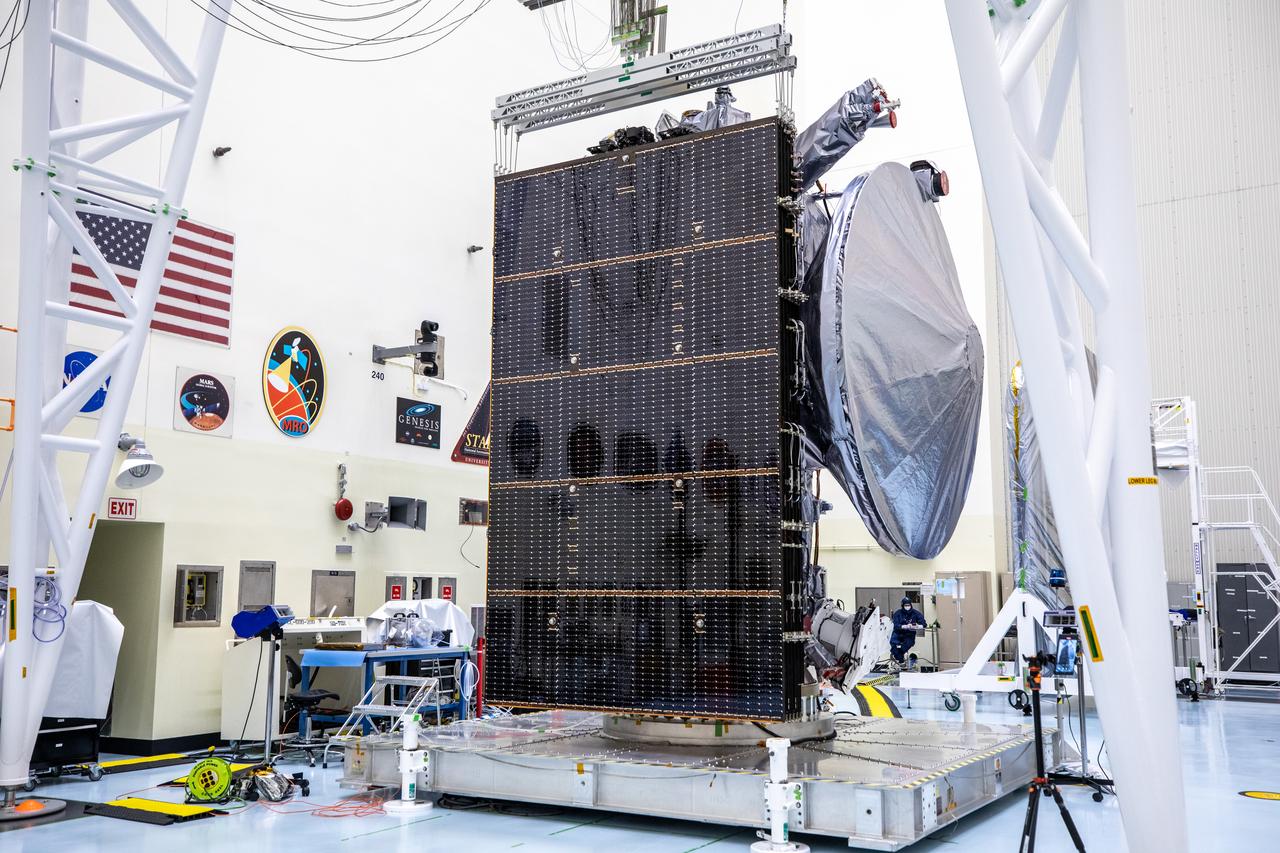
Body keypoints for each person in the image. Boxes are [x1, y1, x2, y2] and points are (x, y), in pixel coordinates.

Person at [890, 597, 925, 672]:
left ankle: (899, 658)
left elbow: (924, 624)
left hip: (909, 634)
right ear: (902, 605)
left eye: (908, 605)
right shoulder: (898, 613)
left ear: (911, 605)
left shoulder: (915, 613)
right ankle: (901, 661)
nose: (907, 607)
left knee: (906, 645)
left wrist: (917, 626)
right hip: (898, 633)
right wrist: (903, 626)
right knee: (894, 643)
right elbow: (895, 625)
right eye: (905, 605)